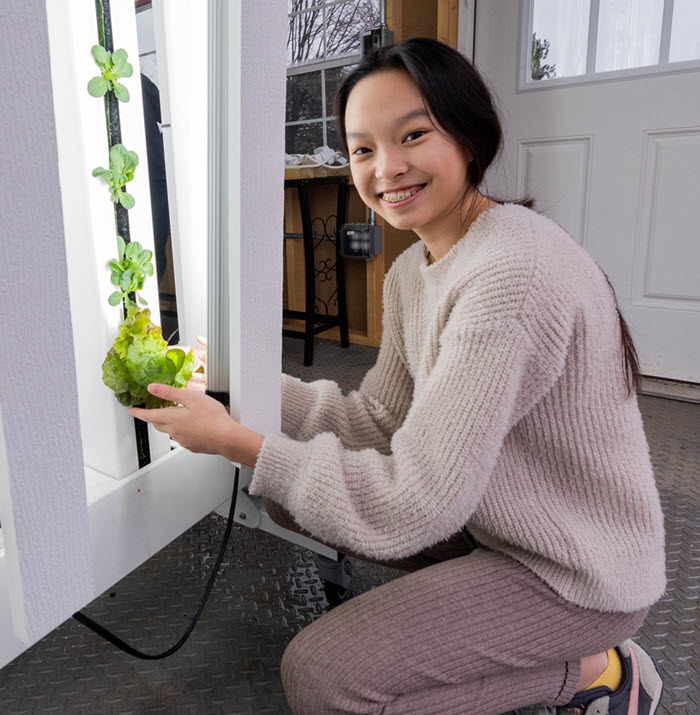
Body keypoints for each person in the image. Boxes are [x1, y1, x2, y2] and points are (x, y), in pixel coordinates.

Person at [131, 38, 666, 715]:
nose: (386, 168)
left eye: (412, 134)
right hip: (500, 520)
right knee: (289, 494)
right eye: (361, 149)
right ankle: (503, 632)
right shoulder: (414, 270)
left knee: (325, 676)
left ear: (470, 136)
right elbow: (381, 423)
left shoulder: (511, 273)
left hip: (577, 571)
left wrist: (240, 444)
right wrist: (237, 386)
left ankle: (598, 669)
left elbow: (416, 500)